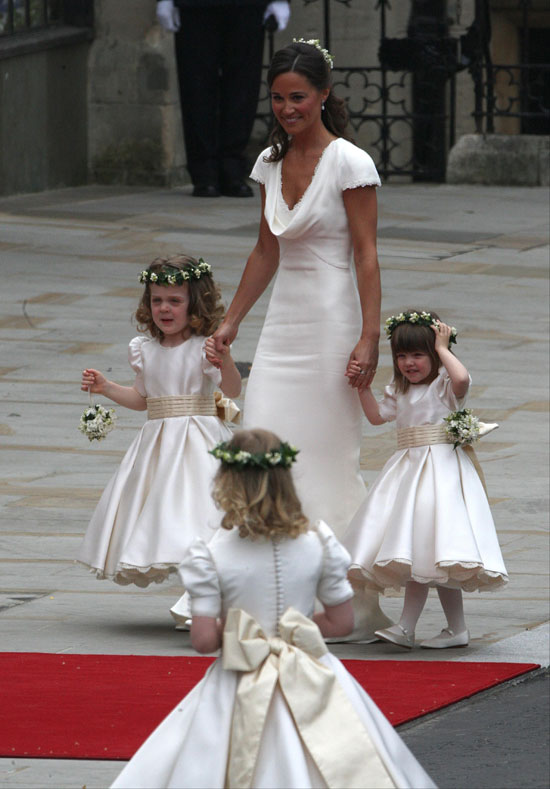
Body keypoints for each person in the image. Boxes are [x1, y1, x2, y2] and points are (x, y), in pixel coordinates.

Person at [110, 429, 436, 789]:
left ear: (227, 483)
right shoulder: (319, 544)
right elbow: (342, 622)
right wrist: (293, 631)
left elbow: (203, 640)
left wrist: (242, 632)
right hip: (310, 669)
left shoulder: (210, 554)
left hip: (239, 676)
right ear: (285, 481)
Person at [211, 39, 392, 639]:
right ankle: (260, 583)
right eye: (279, 98)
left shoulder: (351, 163)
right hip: (284, 322)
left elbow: (366, 255)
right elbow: (266, 250)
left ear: (322, 96)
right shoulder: (268, 162)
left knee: (326, 454)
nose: (288, 108)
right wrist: (232, 319)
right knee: (262, 438)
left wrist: (369, 337)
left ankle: (336, 593)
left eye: (298, 98)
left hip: (334, 318)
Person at [343, 311, 508, 649]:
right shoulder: (399, 390)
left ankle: (406, 627)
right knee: (432, 554)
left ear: (434, 356)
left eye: (418, 354)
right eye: (401, 356)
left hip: (439, 475)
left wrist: (444, 348)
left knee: (424, 548)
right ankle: (456, 629)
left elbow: (462, 379)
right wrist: (361, 388)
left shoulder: (444, 386)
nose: (409, 363)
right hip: (407, 473)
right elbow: (377, 417)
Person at [77, 254, 241, 588]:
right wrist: (106, 388)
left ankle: (208, 584)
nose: (164, 309)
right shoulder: (144, 349)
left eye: (175, 301)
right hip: (158, 444)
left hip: (199, 439)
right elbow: (143, 399)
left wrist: (224, 360)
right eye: (157, 301)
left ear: (195, 303)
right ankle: (188, 578)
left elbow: (233, 388)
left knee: (199, 504)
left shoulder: (203, 347)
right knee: (163, 506)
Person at [156, 0, 291, 197]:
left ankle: (232, 167)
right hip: (195, 7)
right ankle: (204, 171)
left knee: (243, 85)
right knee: (196, 83)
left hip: (247, 6)